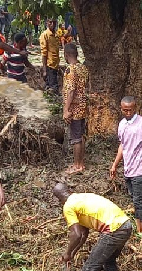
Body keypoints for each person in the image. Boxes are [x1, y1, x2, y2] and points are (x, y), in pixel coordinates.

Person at [53, 183, 133, 271]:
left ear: (59, 199)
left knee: (90, 266)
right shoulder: (81, 198)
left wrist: (67, 253)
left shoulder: (68, 206)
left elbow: (76, 234)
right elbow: (83, 234)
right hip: (126, 225)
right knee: (109, 258)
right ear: (69, 190)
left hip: (113, 230)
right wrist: (72, 253)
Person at [110, 96, 142, 245]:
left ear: (135, 108)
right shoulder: (122, 124)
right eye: (125, 110)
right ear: (121, 108)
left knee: (139, 201)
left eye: (130, 110)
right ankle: (138, 230)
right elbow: (122, 146)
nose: (127, 112)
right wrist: (115, 165)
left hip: (141, 168)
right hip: (128, 169)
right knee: (135, 200)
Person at [62, 42, 89, 174]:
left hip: (75, 109)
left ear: (66, 55)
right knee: (81, 135)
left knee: (76, 138)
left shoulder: (71, 70)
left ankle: (77, 166)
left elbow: (71, 91)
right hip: (83, 107)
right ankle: (81, 164)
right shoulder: (83, 68)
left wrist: (66, 110)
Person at [39, 18, 60, 93]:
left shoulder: (56, 34)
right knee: (53, 87)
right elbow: (44, 53)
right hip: (49, 65)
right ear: (46, 23)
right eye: (50, 22)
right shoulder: (44, 35)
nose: (52, 24)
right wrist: (44, 70)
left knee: (51, 85)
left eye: (54, 22)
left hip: (55, 64)